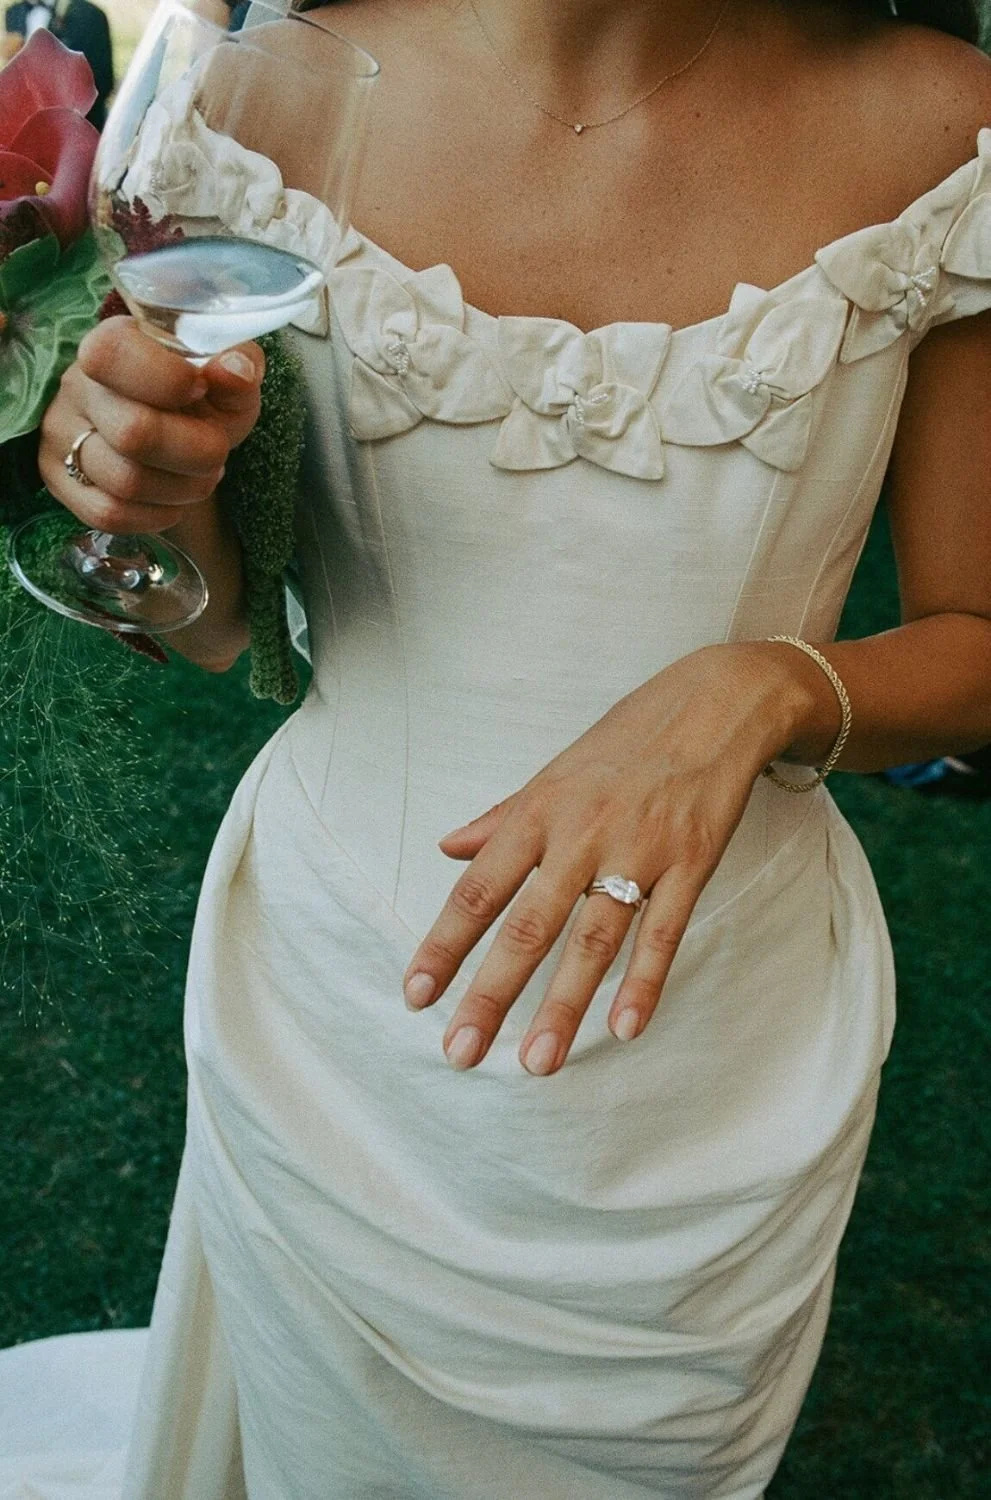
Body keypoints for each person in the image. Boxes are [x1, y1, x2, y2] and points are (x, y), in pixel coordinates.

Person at [7, 1, 991, 1495]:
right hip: (342, 1020)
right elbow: (220, 628)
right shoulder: (263, 98)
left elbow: (975, 639)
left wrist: (757, 688)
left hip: (712, 1066)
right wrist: (135, 473)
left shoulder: (939, 124)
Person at [2, 0, 114, 128]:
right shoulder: (14, 12)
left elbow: (103, 81)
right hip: (26, 129)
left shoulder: (89, 14)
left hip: (76, 128)